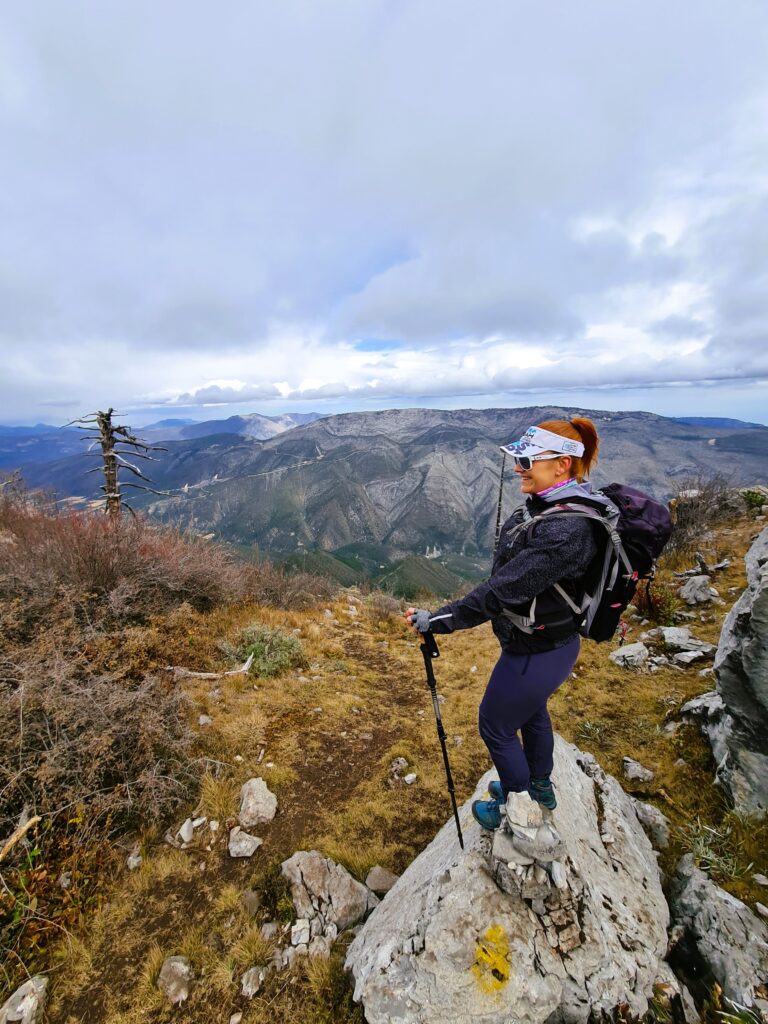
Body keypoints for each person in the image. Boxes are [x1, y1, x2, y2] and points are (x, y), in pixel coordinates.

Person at [406, 417, 606, 830]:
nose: (518, 467)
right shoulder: (558, 506)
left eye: (527, 459)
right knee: (532, 712)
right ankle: (540, 785)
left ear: (563, 465)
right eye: (518, 459)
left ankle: (520, 808)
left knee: (495, 724)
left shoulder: (565, 530)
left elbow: (499, 592)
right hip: (546, 646)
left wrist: (435, 621)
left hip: (537, 650)